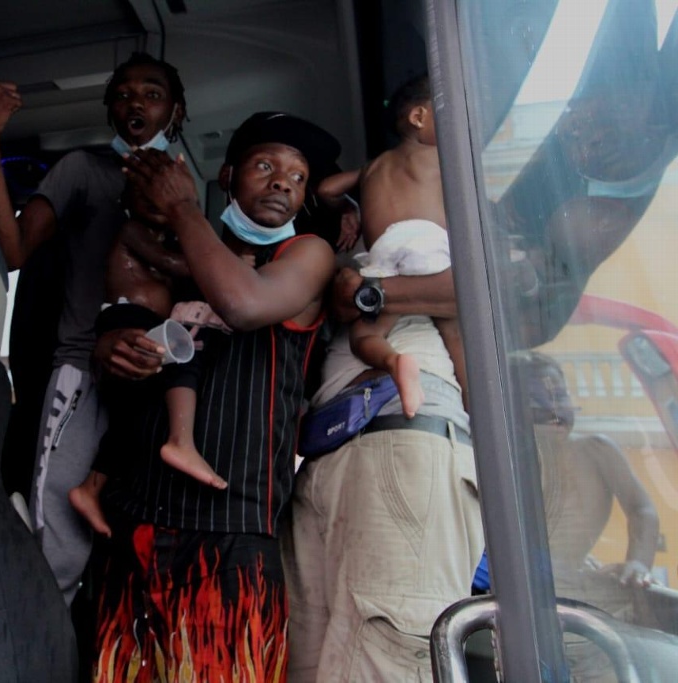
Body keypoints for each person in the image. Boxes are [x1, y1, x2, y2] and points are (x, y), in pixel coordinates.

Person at [90, 112, 341, 682]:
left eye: (297, 177)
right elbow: (128, 335)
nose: (281, 182)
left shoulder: (307, 255)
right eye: (264, 165)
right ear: (226, 176)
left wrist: (184, 207)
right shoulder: (176, 259)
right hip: (135, 516)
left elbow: (245, 305)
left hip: (229, 530)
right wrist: (115, 348)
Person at [0, 52, 187, 603]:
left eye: (152, 93)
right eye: (123, 93)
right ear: (109, 108)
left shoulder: (185, 189)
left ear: (176, 111)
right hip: (82, 371)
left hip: (158, 378)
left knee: (133, 536)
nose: (136, 102)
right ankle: (38, 634)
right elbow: (13, 251)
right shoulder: (83, 171)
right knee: (58, 539)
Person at [281, 186, 482, 679]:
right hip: (332, 448)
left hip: (406, 433)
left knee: (385, 656)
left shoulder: (439, 239)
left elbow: (477, 289)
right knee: (307, 654)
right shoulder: (350, 260)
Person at [67, 180, 229, 538]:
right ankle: (180, 442)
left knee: (132, 418)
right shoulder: (133, 231)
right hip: (126, 317)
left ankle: (90, 488)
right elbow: (177, 265)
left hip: (151, 323)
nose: (156, 201)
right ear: (128, 198)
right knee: (177, 363)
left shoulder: (168, 241)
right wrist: (226, 262)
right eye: (147, 193)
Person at [316, 73, 467, 416]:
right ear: (419, 117)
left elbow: (326, 189)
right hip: (430, 248)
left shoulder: (373, 166)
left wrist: (349, 210)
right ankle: (474, 407)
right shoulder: (442, 158)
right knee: (455, 337)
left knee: (364, 336)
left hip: (384, 254)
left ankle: (395, 363)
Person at [516, 351, 660, 681]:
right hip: (537, 606)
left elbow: (642, 509)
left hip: (591, 606)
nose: (554, 410)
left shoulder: (596, 450)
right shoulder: (515, 461)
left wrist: (638, 563)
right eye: (537, 401)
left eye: (560, 396)